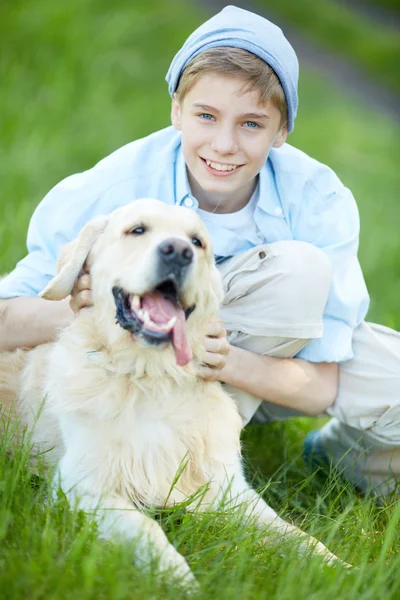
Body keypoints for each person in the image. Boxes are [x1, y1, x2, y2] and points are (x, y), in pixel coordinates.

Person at [0, 6, 399, 495]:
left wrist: (224, 359)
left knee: (333, 311)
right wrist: (94, 303)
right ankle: (170, 464)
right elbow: (6, 320)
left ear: (282, 131)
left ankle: (340, 455)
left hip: (250, 362)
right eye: (206, 116)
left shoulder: (319, 199)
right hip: (139, 360)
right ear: (175, 111)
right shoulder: (117, 187)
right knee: (301, 272)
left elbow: (320, 382)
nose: (224, 144)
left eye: (252, 124)